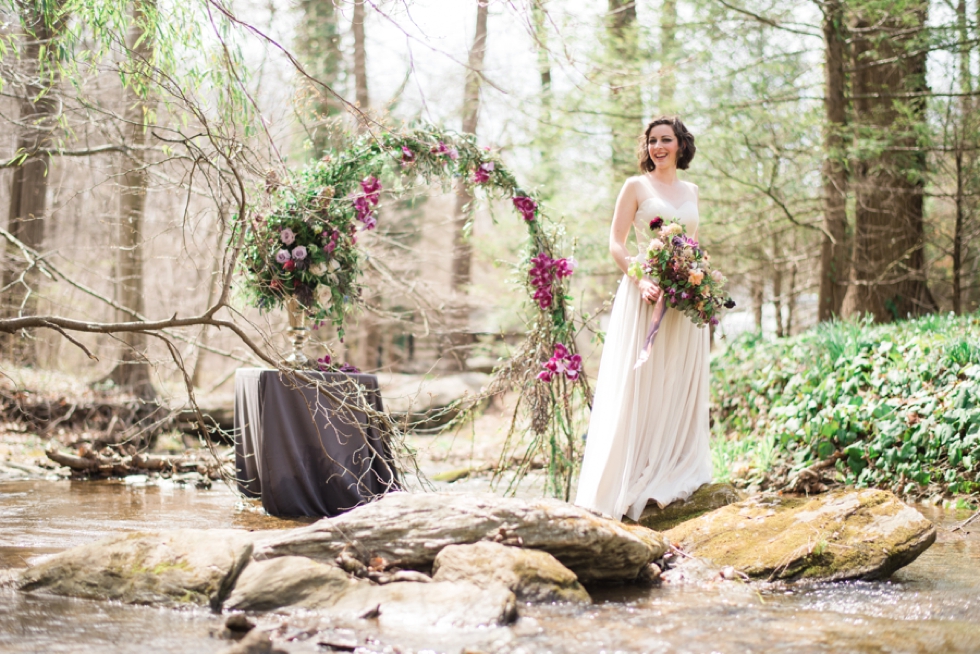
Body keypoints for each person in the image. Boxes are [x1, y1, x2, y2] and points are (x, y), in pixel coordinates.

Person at [574, 116, 712, 521]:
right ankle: (628, 476)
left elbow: (694, 245)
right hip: (644, 293)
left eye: (666, 140)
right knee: (639, 384)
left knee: (674, 381)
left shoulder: (692, 190)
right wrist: (638, 280)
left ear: (681, 145)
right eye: (652, 141)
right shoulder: (635, 187)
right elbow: (615, 242)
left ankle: (670, 469)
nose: (658, 147)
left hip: (682, 299)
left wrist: (700, 285)